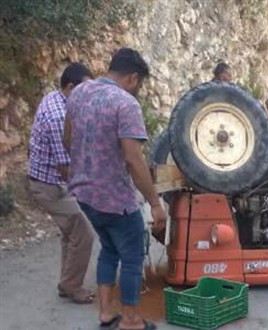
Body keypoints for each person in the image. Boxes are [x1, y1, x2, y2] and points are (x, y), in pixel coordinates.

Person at [64, 48, 166, 330]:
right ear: (133, 78)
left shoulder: (80, 92)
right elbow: (134, 160)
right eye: (140, 85)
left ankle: (107, 313)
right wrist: (155, 203)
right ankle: (131, 320)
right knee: (132, 255)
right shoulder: (125, 104)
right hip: (114, 198)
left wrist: (89, 163)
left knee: (109, 248)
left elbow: (68, 139)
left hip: (84, 194)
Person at [27, 62, 95, 305]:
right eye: (84, 89)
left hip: (48, 180)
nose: (88, 95)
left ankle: (67, 283)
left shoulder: (56, 99)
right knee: (84, 233)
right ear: (70, 87)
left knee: (72, 232)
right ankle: (72, 286)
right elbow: (66, 168)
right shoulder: (59, 117)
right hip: (50, 186)